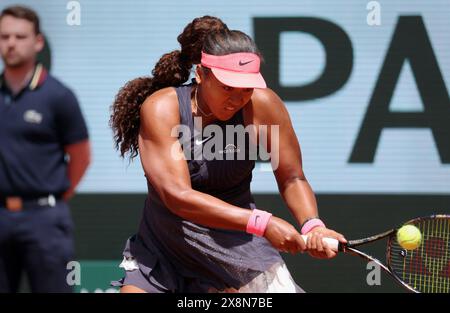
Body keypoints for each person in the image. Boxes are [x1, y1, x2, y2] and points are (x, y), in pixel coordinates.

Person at [110, 16, 346, 293]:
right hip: (166, 248)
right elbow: (178, 197)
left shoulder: (264, 106)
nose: (237, 99)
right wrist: (263, 222)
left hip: (238, 249)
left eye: (246, 89)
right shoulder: (162, 109)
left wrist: (313, 226)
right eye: (226, 87)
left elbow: (292, 178)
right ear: (201, 74)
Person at [0, 5, 91, 292]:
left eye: (19, 36)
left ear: (38, 41)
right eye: (4, 37)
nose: (11, 43)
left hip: (45, 219)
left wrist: (56, 195)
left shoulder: (59, 96)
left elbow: (81, 156)